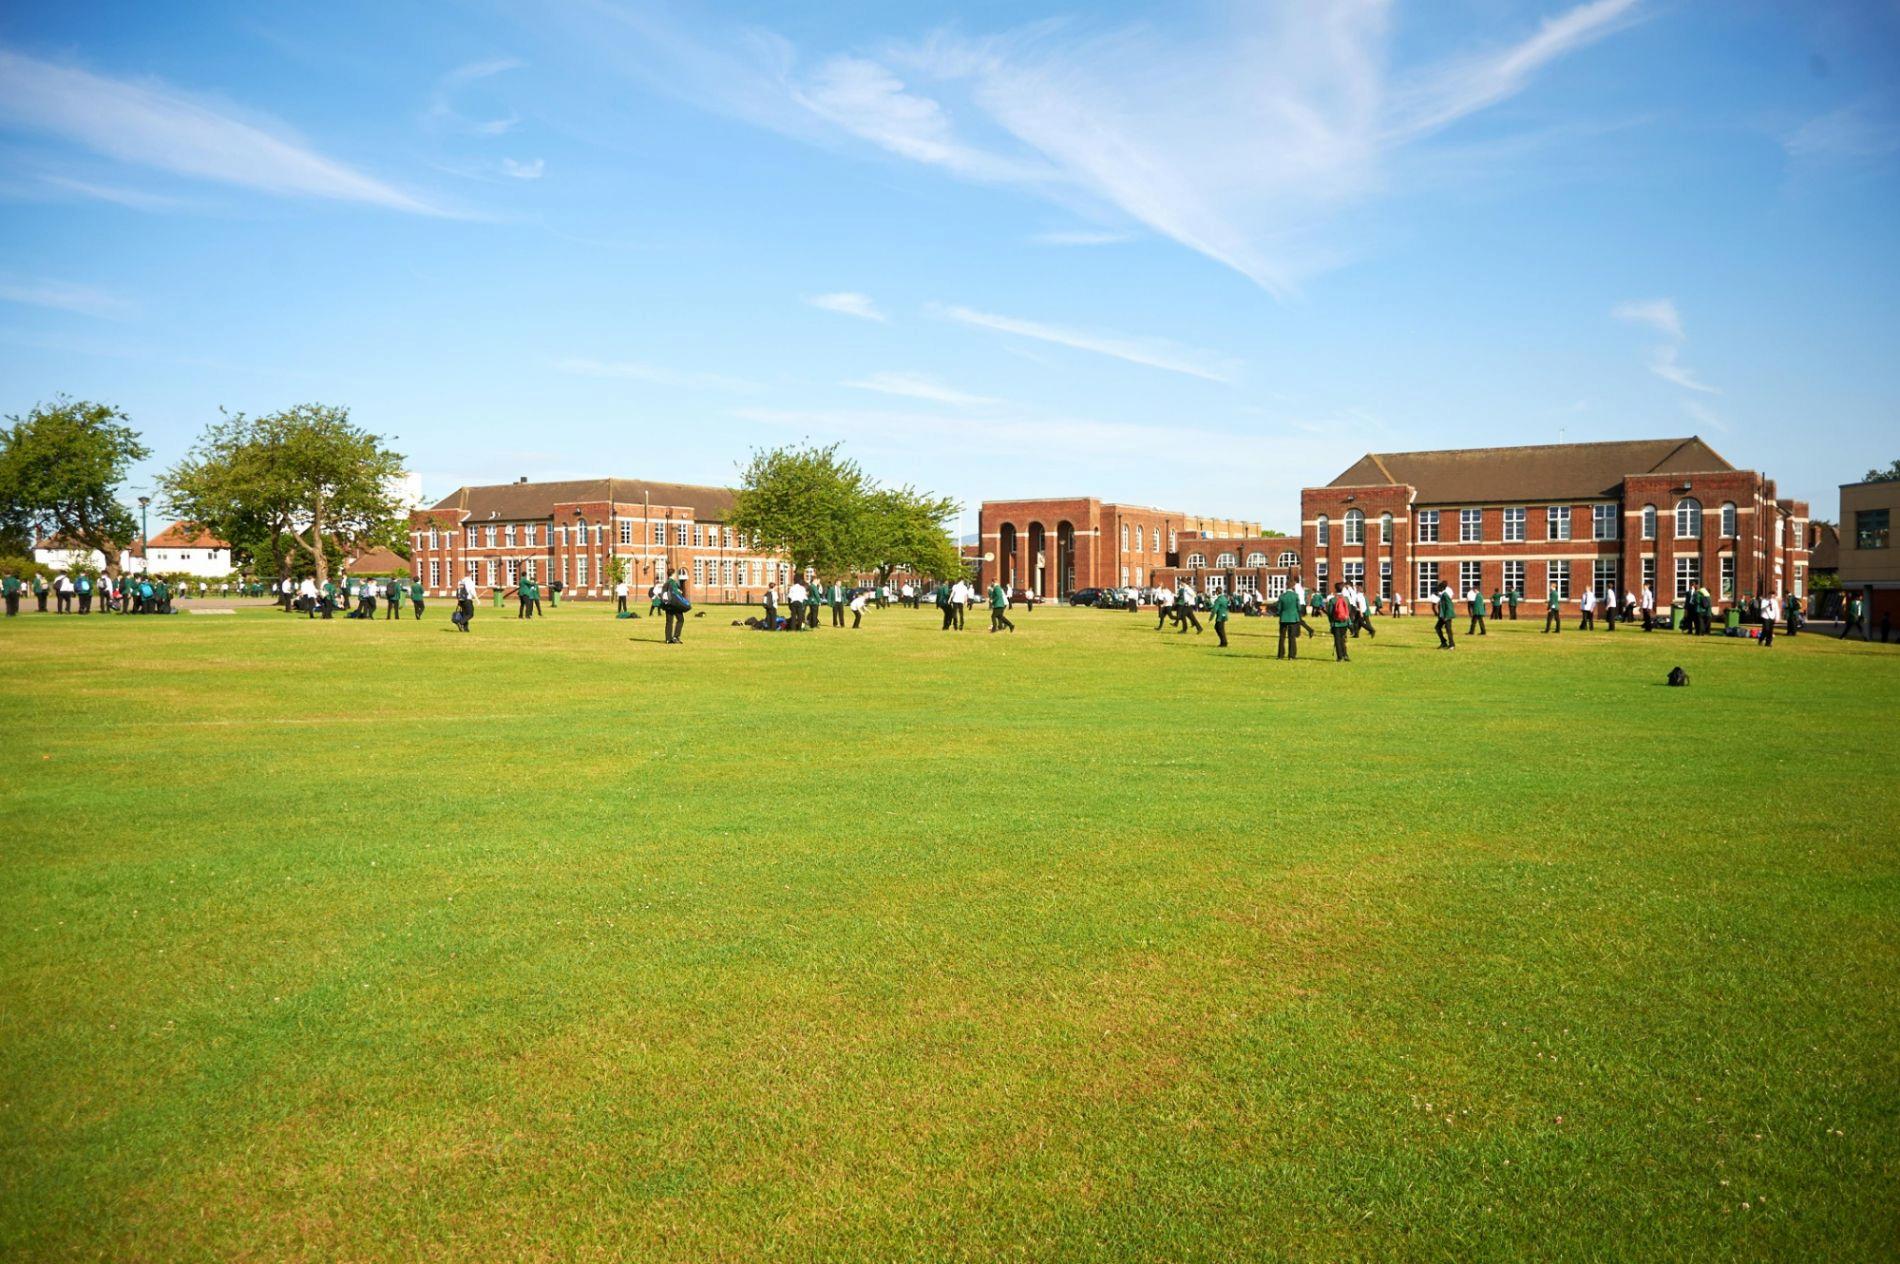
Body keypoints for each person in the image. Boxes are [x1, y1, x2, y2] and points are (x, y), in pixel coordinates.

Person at [1276, 582, 1302, 659]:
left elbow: (1279, 608)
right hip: (1293, 618)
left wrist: (1280, 613)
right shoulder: (1295, 596)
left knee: (1282, 637)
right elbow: (1299, 608)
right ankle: (1291, 655)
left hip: (1283, 618)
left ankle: (1280, 655)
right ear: (1293, 586)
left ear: (1286, 586)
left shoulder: (1282, 596)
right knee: (1292, 637)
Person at [1327, 586, 1353, 661]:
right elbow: (1349, 610)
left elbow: (1330, 612)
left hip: (1336, 623)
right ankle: (1345, 655)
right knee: (1343, 639)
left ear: (1335, 590)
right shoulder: (1346, 599)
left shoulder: (1332, 600)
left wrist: (1331, 622)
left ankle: (1339, 657)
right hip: (1344, 622)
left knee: (1337, 640)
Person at [662, 569, 688, 644]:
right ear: (673, 574)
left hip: (667, 604)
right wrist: (679, 592)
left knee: (669, 621)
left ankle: (668, 639)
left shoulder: (666, 583)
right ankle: (676, 637)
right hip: (674, 604)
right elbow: (675, 592)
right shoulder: (672, 583)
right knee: (681, 619)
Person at [1435, 583, 1457, 649]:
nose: (1438, 589)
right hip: (1442, 616)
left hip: (1447, 616)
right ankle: (1443, 642)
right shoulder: (1442, 595)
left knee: (1448, 630)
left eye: (1439, 588)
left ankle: (1452, 645)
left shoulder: (1445, 595)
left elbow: (1449, 606)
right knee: (1437, 627)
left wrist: (1447, 616)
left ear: (1442, 588)